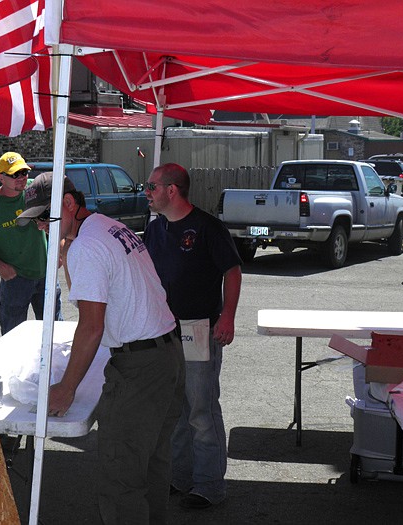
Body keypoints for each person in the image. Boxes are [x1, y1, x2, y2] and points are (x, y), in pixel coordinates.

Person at [16, 172, 186, 524]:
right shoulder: (105, 225)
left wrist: (65, 389)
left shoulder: (87, 245)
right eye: (35, 221)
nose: (41, 228)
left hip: (142, 365)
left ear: (68, 203)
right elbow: (89, 299)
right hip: (165, 353)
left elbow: (92, 326)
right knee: (151, 464)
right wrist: (66, 248)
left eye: (44, 218)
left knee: (121, 474)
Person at [143, 163, 242, 510]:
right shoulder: (154, 230)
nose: (147, 193)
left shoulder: (207, 227)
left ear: (172, 190)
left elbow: (232, 270)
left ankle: (209, 485)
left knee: (200, 410)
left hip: (199, 328)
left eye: (151, 186)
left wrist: (227, 315)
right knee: (175, 410)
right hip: (163, 331)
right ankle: (180, 476)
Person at [0, 152, 62, 335]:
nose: (21, 178)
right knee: (13, 335)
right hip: (15, 278)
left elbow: (59, 217)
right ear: (1, 178)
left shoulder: (35, 190)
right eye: (14, 174)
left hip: (46, 274)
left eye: (24, 173)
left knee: (55, 332)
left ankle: (55, 365)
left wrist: (58, 247)